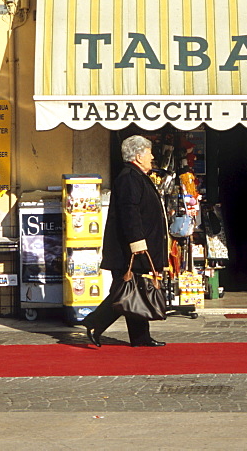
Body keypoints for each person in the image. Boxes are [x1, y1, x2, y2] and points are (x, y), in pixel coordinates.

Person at [82, 135, 168, 348]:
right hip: (129, 250)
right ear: (138, 156)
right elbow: (129, 212)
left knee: (133, 290)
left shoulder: (136, 175)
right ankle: (94, 322)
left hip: (133, 248)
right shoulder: (129, 177)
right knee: (123, 291)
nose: (153, 157)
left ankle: (140, 338)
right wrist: (137, 241)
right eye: (149, 153)